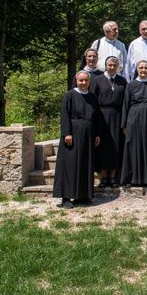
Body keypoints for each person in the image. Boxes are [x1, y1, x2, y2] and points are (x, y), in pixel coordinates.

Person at [54, 71, 101, 208]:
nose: (83, 83)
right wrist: (66, 133)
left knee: (85, 165)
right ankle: (66, 197)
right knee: (70, 165)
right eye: (81, 80)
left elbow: (96, 117)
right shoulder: (70, 95)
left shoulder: (92, 97)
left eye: (86, 80)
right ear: (76, 80)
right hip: (72, 135)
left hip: (88, 135)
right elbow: (64, 115)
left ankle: (83, 196)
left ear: (89, 81)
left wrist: (97, 134)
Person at [120, 60, 147, 187]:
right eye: (141, 68)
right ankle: (134, 179)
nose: (143, 70)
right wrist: (124, 125)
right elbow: (125, 105)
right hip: (135, 120)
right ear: (137, 69)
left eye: (146, 68)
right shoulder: (131, 85)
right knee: (135, 147)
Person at [90, 56, 127, 188]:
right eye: (109, 65)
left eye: (114, 65)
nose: (112, 67)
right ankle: (103, 177)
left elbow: (125, 102)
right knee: (103, 147)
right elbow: (92, 101)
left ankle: (113, 177)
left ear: (118, 67)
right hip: (102, 116)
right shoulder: (97, 80)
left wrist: (124, 122)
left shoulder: (122, 81)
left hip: (117, 116)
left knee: (116, 146)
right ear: (106, 65)